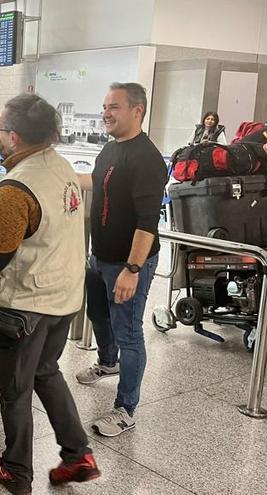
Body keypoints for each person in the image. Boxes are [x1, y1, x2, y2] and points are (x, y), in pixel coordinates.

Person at [0, 94, 100, 494]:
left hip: (26, 307)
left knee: (16, 390)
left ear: (16, 136)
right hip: (65, 299)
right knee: (47, 372)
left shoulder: (14, 188)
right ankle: (78, 456)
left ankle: (16, 471)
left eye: (2, 131)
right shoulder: (61, 167)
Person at [74, 82, 167, 437]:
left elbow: (148, 221)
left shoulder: (145, 158)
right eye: (104, 106)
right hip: (101, 258)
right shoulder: (111, 150)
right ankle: (107, 362)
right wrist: (56, 177)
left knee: (129, 333)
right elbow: (96, 182)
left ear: (137, 111)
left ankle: (126, 408)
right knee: (99, 314)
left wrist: (132, 269)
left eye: (113, 107)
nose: (105, 113)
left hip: (128, 263)